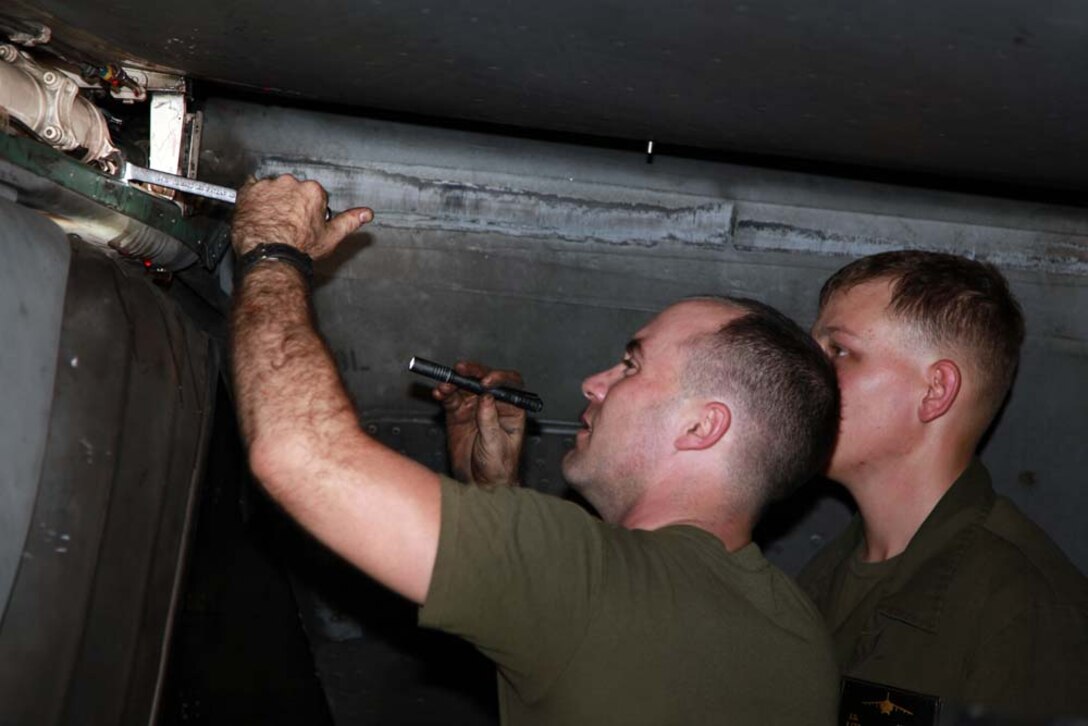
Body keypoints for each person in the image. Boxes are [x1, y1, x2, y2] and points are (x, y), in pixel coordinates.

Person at [229, 174, 842, 725]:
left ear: (702, 428)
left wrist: (272, 250)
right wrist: (494, 493)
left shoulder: (583, 572)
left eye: (631, 365)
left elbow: (299, 453)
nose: (594, 384)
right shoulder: (801, 642)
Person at [798, 250, 1088, 720]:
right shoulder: (820, 577)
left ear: (935, 391)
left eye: (839, 351)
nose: (806, 377)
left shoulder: (1027, 608)